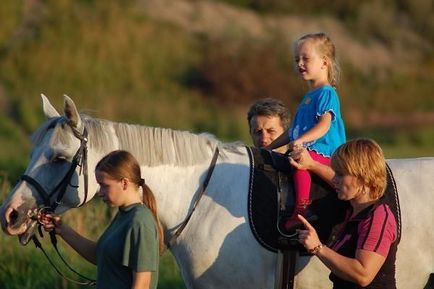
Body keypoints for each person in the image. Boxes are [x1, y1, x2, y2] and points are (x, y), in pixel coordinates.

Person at [41, 150, 164, 289]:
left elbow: (142, 285)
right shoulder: (124, 214)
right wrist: (62, 229)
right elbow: (99, 255)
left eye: (105, 186)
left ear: (124, 183)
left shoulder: (140, 221)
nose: (100, 192)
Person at [290, 138, 397, 289]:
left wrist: (318, 247)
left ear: (362, 177)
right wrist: (312, 165)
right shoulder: (355, 208)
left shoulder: (378, 217)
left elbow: (363, 275)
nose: (335, 180)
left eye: (340, 174)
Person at [266, 32, 346, 230]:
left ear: (324, 63)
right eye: (297, 59)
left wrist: (301, 141)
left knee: (299, 161)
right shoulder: (309, 96)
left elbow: (324, 125)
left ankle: (301, 209)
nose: (299, 63)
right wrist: (270, 147)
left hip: (326, 153)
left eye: (306, 58)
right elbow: (293, 131)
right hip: (308, 148)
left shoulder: (327, 93)